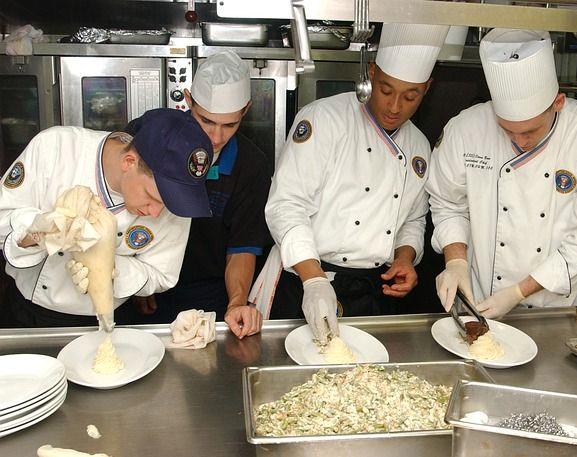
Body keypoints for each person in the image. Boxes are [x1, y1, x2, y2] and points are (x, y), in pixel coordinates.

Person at [253, 23, 450, 343]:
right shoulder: (323, 119)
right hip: (306, 280)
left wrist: (404, 257)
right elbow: (286, 204)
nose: (395, 106)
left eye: (410, 96)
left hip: (372, 291)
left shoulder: (419, 146)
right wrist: (313, 281)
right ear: (372, 73)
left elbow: (413, 219)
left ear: (426, 89)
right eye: (386, 90)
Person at [426, 29, 577, 318]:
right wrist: (455, 261)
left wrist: (518, 291)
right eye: (507, 130)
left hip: (559, 310)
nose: (519, 141)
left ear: (558, 102)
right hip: (480, 300)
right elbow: (448, 203)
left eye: (530, 131)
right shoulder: (465, 129)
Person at [0, 108, 214, 327]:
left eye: (169, 204)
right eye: (151, 197)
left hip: (111, 321)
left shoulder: (175, 202)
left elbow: (161, 275)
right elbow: (2, 219)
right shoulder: (55, 148)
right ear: (129, 162)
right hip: (29, 313)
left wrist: (110, 268)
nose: (157, 212)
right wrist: (39, 231)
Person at [130, 50, 269, 339]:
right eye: (206, 121)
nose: (216, 138)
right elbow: (122, 210)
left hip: (209, 294)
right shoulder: (149, 136)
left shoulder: (251, 165)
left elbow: (242, 246)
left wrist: (237, 303)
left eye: (229, 124)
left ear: (246, 110)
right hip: (143, 284)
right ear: (188, 100)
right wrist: (134, 278)